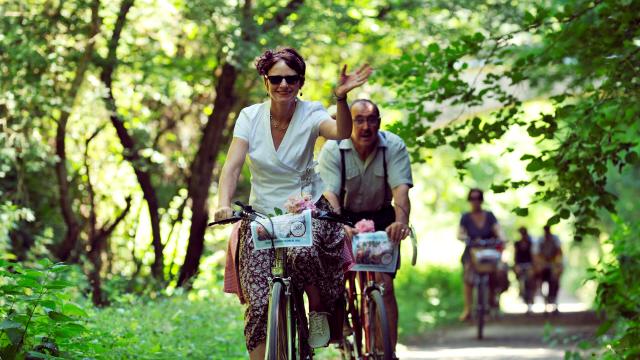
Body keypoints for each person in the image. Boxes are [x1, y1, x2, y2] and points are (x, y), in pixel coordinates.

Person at [214, 47, 372, 358]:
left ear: (300, 82)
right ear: (265, 81)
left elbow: (341, 132)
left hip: (305, 208)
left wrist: (340, 98)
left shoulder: (312, 112)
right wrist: (223, 203)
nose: (283, 85)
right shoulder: (249, 117)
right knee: (258, 301)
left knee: (304, 253)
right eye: (276, 79)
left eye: (291, 78)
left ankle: (316, 310)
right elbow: (232, 166)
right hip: (262, 215)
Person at [318, 99, 413, 355]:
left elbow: (401, 190)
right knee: (336, 277)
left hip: (382, 218)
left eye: (372, 120)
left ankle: (388, 351)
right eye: (358, 120)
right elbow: (329, 193)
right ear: (349, 122)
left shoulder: (392, 145)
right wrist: (339, 225)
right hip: (343, 215)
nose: (366, 126)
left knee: (385, 286)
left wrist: (400, 224)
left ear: (379, 123)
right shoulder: (333, 149)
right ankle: (341, 323)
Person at [456, 188, 506, 321]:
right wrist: (464, 238)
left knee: (497, 272)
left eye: (478, 198)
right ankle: (468, 308)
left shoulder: (489, 215)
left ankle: (492, 301)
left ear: (481, 200)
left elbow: (498, 230)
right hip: (472, 251)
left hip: (489, 250)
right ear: (469, 200)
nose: (475, 201)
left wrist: (501, 237)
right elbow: (460, 233)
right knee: (467, 275)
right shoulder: (465, 217)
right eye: (472, 198)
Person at [534, 225, 563, 313]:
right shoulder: (540, 240)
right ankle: (546, 303)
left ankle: (554, 302)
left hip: (553, 265)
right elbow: (537, 254)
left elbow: (559, 252)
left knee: (555, 282)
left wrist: (556, 265)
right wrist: (540, 264)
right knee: (541, 283)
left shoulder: (555, 239)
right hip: (544, 265)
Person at [514, 227, 535, 313]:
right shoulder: (517, 243)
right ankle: (523, 296)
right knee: (521, 283)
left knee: (530, 282)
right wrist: (516, 266)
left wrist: (532, 266)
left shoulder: (530, 243)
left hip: (529, 265)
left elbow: (533, 255)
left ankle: (530, 300)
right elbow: (515, 255)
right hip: (520, 265)